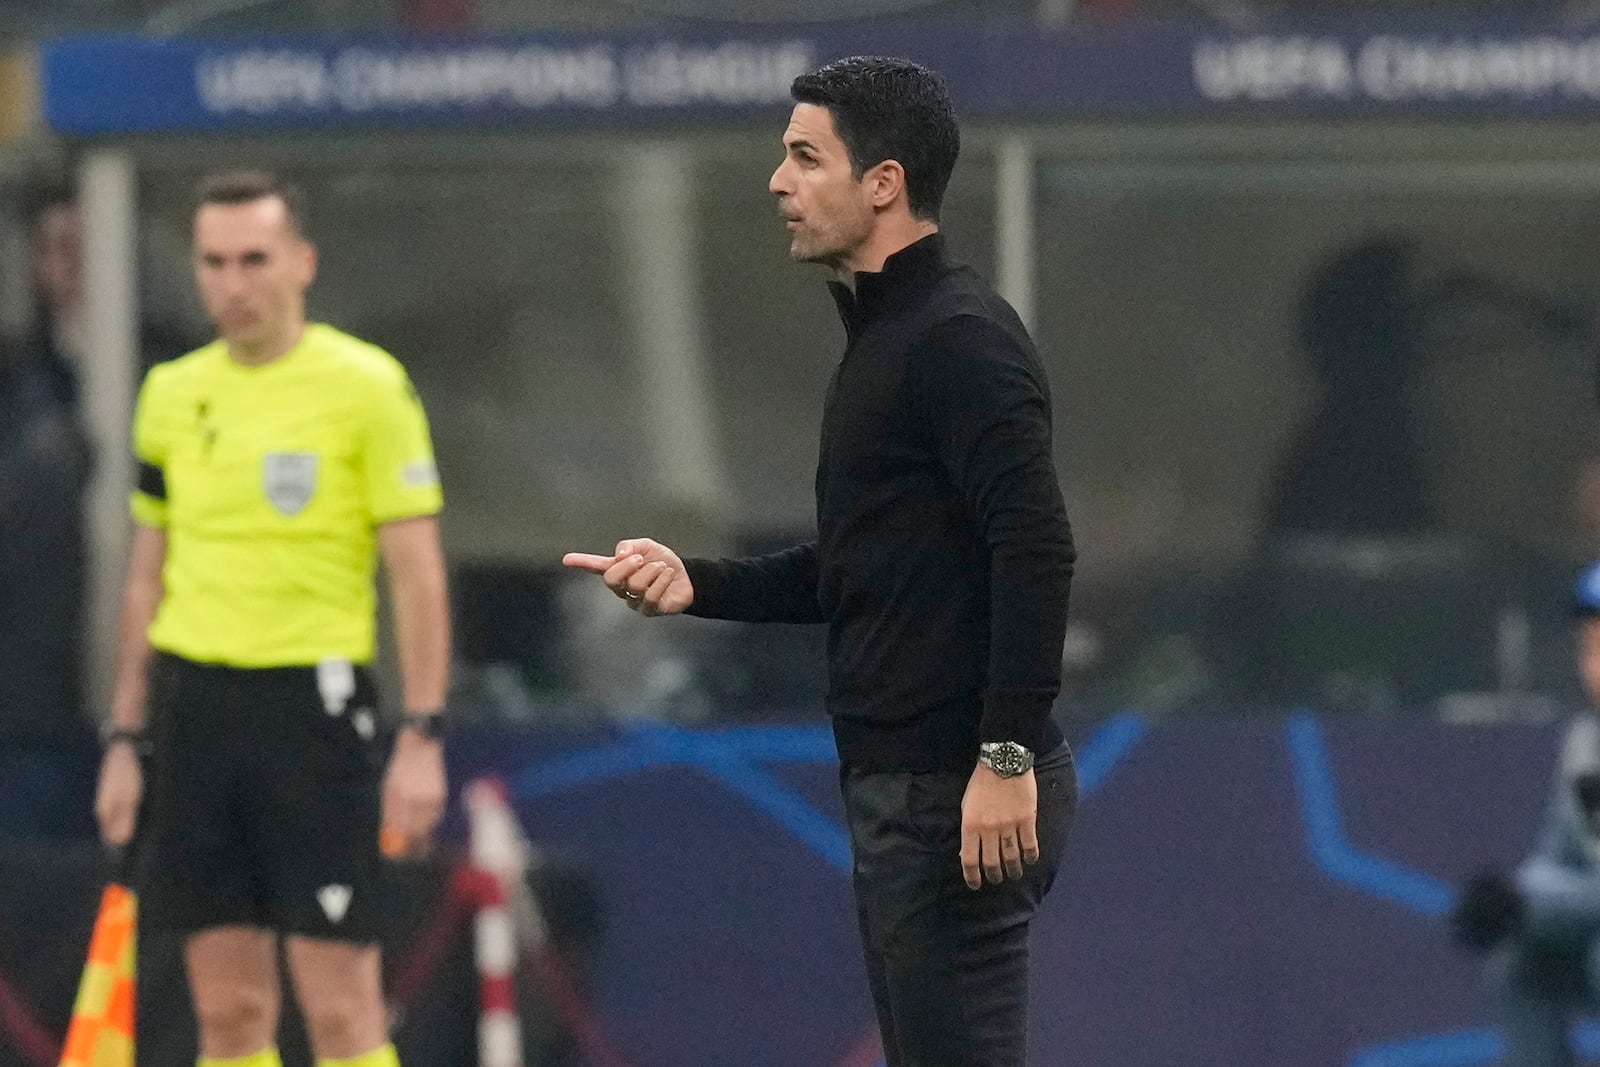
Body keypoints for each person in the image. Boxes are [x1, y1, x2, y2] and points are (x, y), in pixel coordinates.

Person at [564, 56, 1078, 1066]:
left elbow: (1036, 544)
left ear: (882, 182)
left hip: (955, 785)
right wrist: (695, 582)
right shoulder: (886, 340)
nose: (777, 181)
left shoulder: (956, 339)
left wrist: (1004, 754)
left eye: (804, 156)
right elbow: (865, 567)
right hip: (909, 785)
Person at [92, 170, 450, 1067]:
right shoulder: (172, 392)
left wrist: (423, 734)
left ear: (302, 263)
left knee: (340, 1012)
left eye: (255, 259)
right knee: (230, 1010)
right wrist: (126, 737)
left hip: (312, 713)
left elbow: (416, 575)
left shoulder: (365, 386)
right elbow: (147, 576)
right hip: (193, 711)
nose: (234, 284)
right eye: (214, 262)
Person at [1452, 561, 1600, 1066]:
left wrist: (1529, 907)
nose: (1596, 667)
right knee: (1523, 961)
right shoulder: (1589, 747)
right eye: (1589, 648)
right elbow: (1561, 862)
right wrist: (1515, 903)